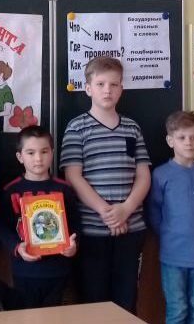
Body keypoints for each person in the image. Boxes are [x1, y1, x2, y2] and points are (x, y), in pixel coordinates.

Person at [59, 56, 151, 312]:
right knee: (93, 301)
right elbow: (73, 176)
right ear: (88, 88)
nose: (107, 90)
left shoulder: (132, 128)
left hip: (131, 228)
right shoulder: (77, 127)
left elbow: (143, 175)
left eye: (114, 84)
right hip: (93, 231)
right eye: (100, 84)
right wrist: (106, 212)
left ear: (122, 88)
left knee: (126, 301)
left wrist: (126, 209)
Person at [0, 125, 78, 308]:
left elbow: (75, 224)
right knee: (27, 316)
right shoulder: (11, 190)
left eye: (44, 151)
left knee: (55, 317)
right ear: (20, 157)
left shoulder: (64, 189)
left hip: (58, 269)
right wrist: (16, 247)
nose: (38, 159)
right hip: (24, 270)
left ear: (52, 153)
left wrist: (74, 245)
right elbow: (1, 226)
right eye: (31, 153)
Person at [149, 111, 194, 324]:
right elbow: (154, 211)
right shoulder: (160, 174)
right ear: (170, 141)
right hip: (173, 255)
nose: (188, 142)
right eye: (182, 137)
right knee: (177, 308)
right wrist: (168, 234)